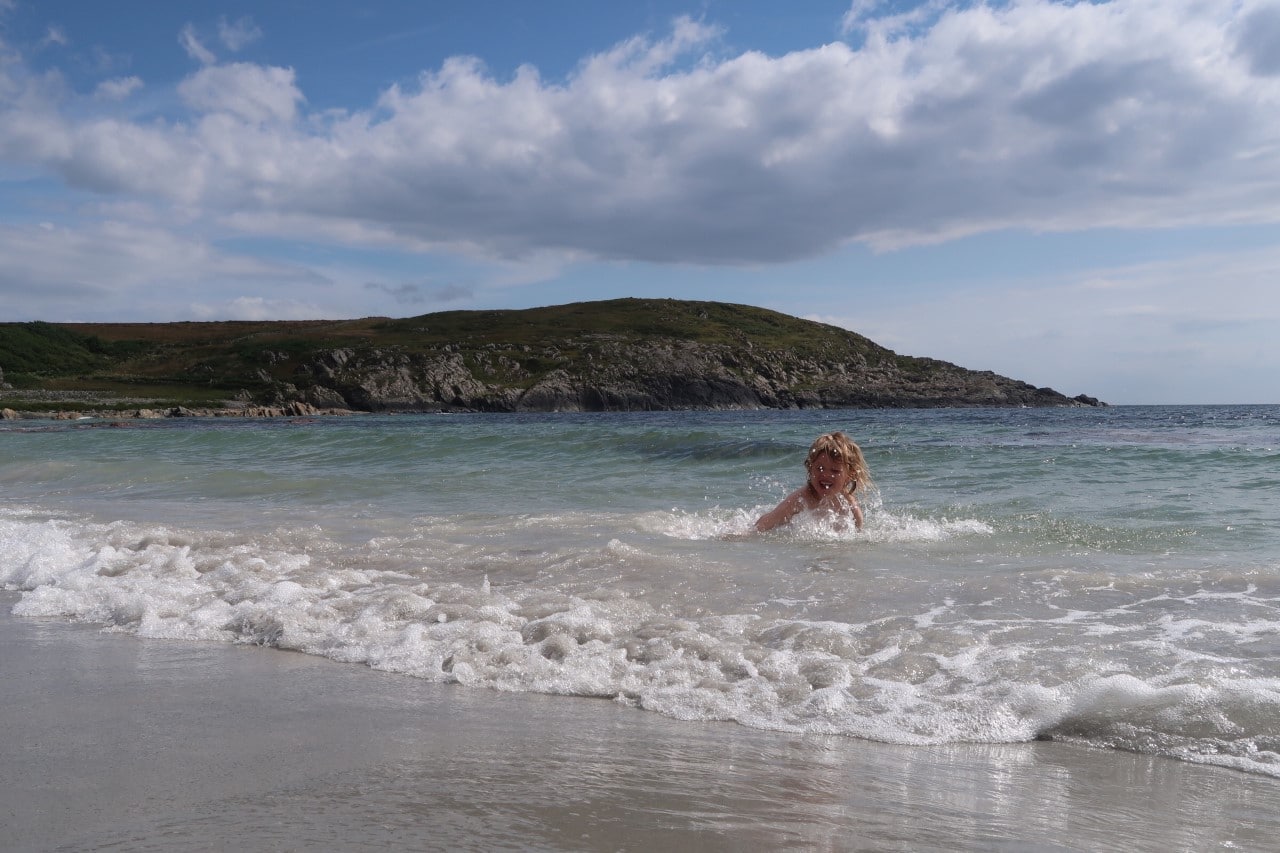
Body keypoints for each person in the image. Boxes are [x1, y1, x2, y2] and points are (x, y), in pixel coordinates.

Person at [755, 431, 873, 532]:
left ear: (849, 475)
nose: (826, 475)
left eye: (835, 471)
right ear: (810, 468)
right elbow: (762, 525)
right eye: (820, 468)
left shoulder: (849, 504)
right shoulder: (800, 499)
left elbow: (858, 532)